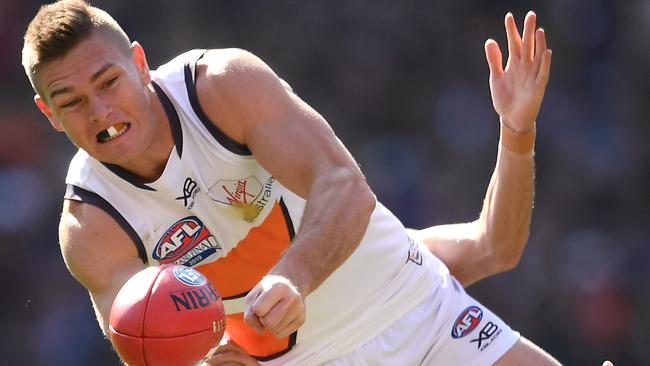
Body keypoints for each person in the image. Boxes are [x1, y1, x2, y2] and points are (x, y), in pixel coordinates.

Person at [22, 1, 565, 365]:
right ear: (50, 114)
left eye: (108, 81)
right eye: (71, 102)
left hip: (425, 316)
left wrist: (295, 277)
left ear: (140, 63)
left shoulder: (221, 88)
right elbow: (145, 343)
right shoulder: (91, 224)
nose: (99, 110)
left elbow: (345, 187)